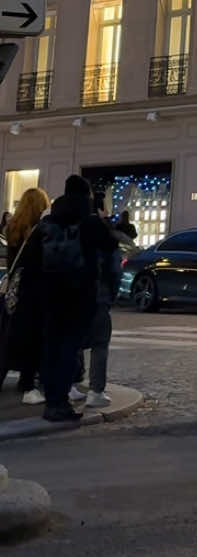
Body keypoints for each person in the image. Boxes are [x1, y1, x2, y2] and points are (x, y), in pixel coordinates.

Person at [25, 175, 113, 425]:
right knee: (68, 349)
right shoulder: (89, 223)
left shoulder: (47, 223)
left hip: (49, 296)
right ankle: (60, 402)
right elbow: (109, 251)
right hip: (79, 294)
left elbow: (30, 262)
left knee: (51, 347)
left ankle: (52, 400)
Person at [3, 187, 50, 402]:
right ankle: (28, 383)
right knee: (32, 338)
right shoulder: (39, 231)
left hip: (15, 290)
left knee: (8, 337)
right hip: (32, 290)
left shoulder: (12, 227)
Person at [80, 216, 122, 409]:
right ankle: (96, 391)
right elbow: (115, 273)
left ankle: (70, 383)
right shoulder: (109, 248)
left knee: (73, 342)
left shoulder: (76, 239)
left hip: (78, 295)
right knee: (100, 344)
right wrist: (110, 295)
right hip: (99, 296)